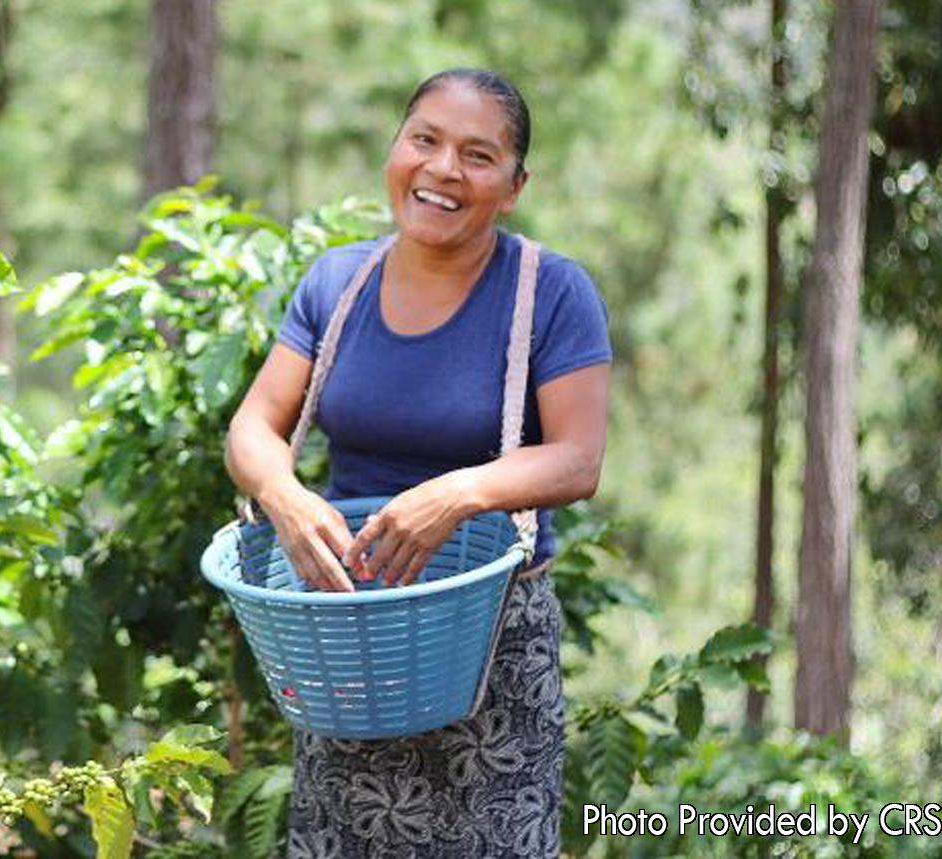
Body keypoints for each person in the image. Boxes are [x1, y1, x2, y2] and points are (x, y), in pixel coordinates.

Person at [222, 68, 611, 858]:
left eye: (477, 155)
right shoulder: (337, 282)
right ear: (394, 148)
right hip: (352, 646)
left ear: (514, 186)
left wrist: (458, 494)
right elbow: (254, 428)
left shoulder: (551, 293)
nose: (442, 170)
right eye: (424, 140)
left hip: (494, 647)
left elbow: (578, 458)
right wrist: (284, 497)